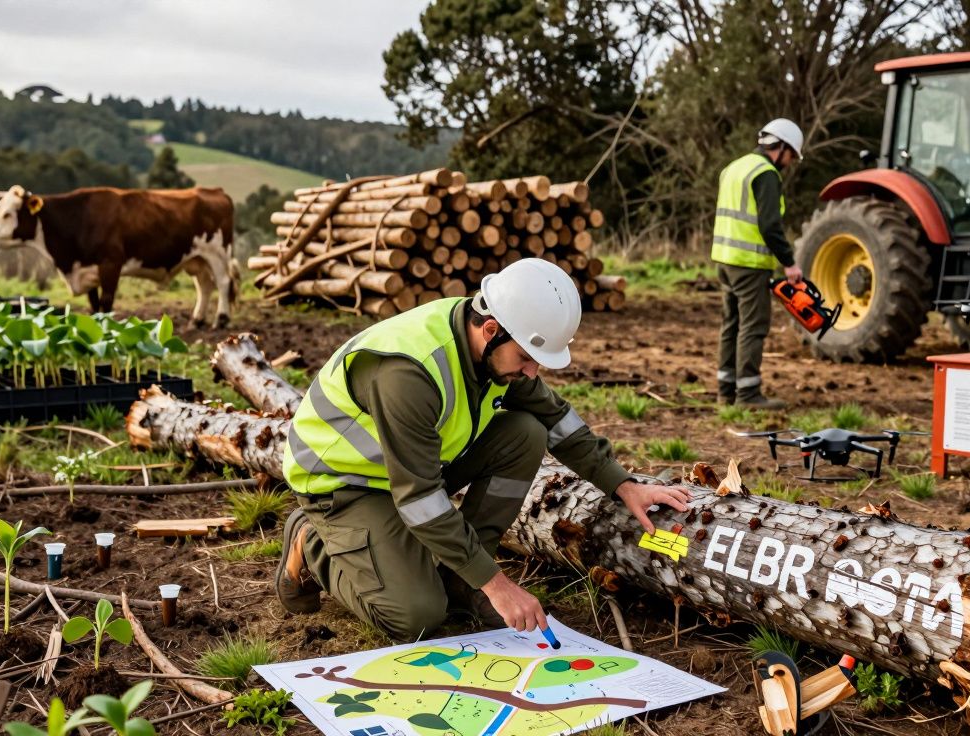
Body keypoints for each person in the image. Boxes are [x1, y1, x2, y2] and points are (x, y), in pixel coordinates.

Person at [275, 258, 692, 641]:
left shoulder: (491, 346)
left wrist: (622, 485)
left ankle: (462, 582)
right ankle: (313, 544)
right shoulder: (409, 374)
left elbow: (556, 420)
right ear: (491, 330)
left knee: (525, 431)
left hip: (410, 471)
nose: (532, 372)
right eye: (528, 357)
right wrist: (499, 584)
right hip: (344, 484)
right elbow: (419, 499)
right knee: (416, 616)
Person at [713, 118, 805, 409]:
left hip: (725, 260)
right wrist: (789, 263)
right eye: (791, 155)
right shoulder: (766, 174)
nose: (789, 162)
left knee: (732, 325)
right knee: (753, 326)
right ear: (779, 148)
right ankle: (749, 395)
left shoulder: (734, 167)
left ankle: (726, 391)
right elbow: (770, 225)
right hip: (749, 264)